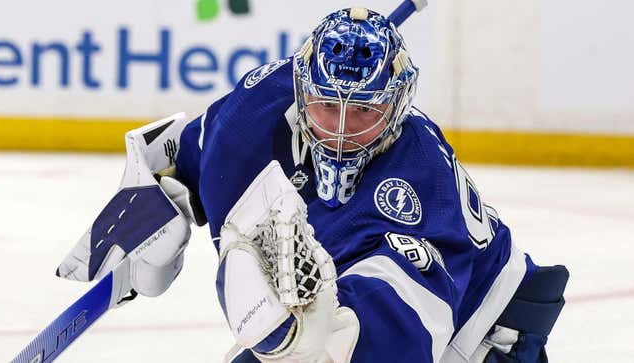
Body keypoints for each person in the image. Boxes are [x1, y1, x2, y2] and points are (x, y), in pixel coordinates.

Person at [58, 7, 568, 363]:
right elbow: (181, 152)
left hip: (480, 339)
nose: (342, 130)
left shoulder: (414, 182)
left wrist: (297, 343)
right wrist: (154, 197)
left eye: (365, 111)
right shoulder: (254, 112)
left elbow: (402, 343)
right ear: (300, 90)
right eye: (327, 106)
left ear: (397, 107)